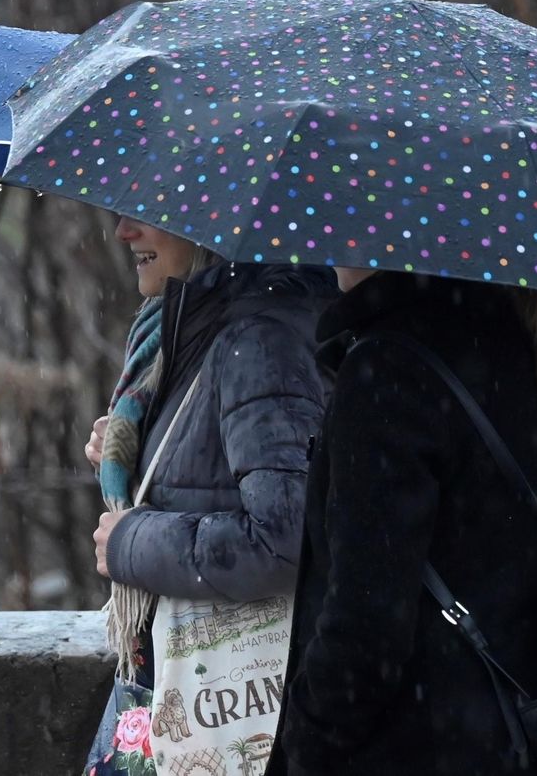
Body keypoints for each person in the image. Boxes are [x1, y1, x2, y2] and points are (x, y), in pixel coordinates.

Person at [267, 268, 537, 775]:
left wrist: (306, 740)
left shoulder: (387, 369)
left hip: (414, 747)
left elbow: (366, 627)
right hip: (534, 734)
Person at [81, 217, 336, 775]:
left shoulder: (259, 339)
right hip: (179, 687)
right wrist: (139, 451)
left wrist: (131, 541)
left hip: (218, 699)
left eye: (149, 214)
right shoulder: (199, 329)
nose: (124, 232)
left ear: (210, 226)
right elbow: (216, 466)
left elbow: (284, 536)